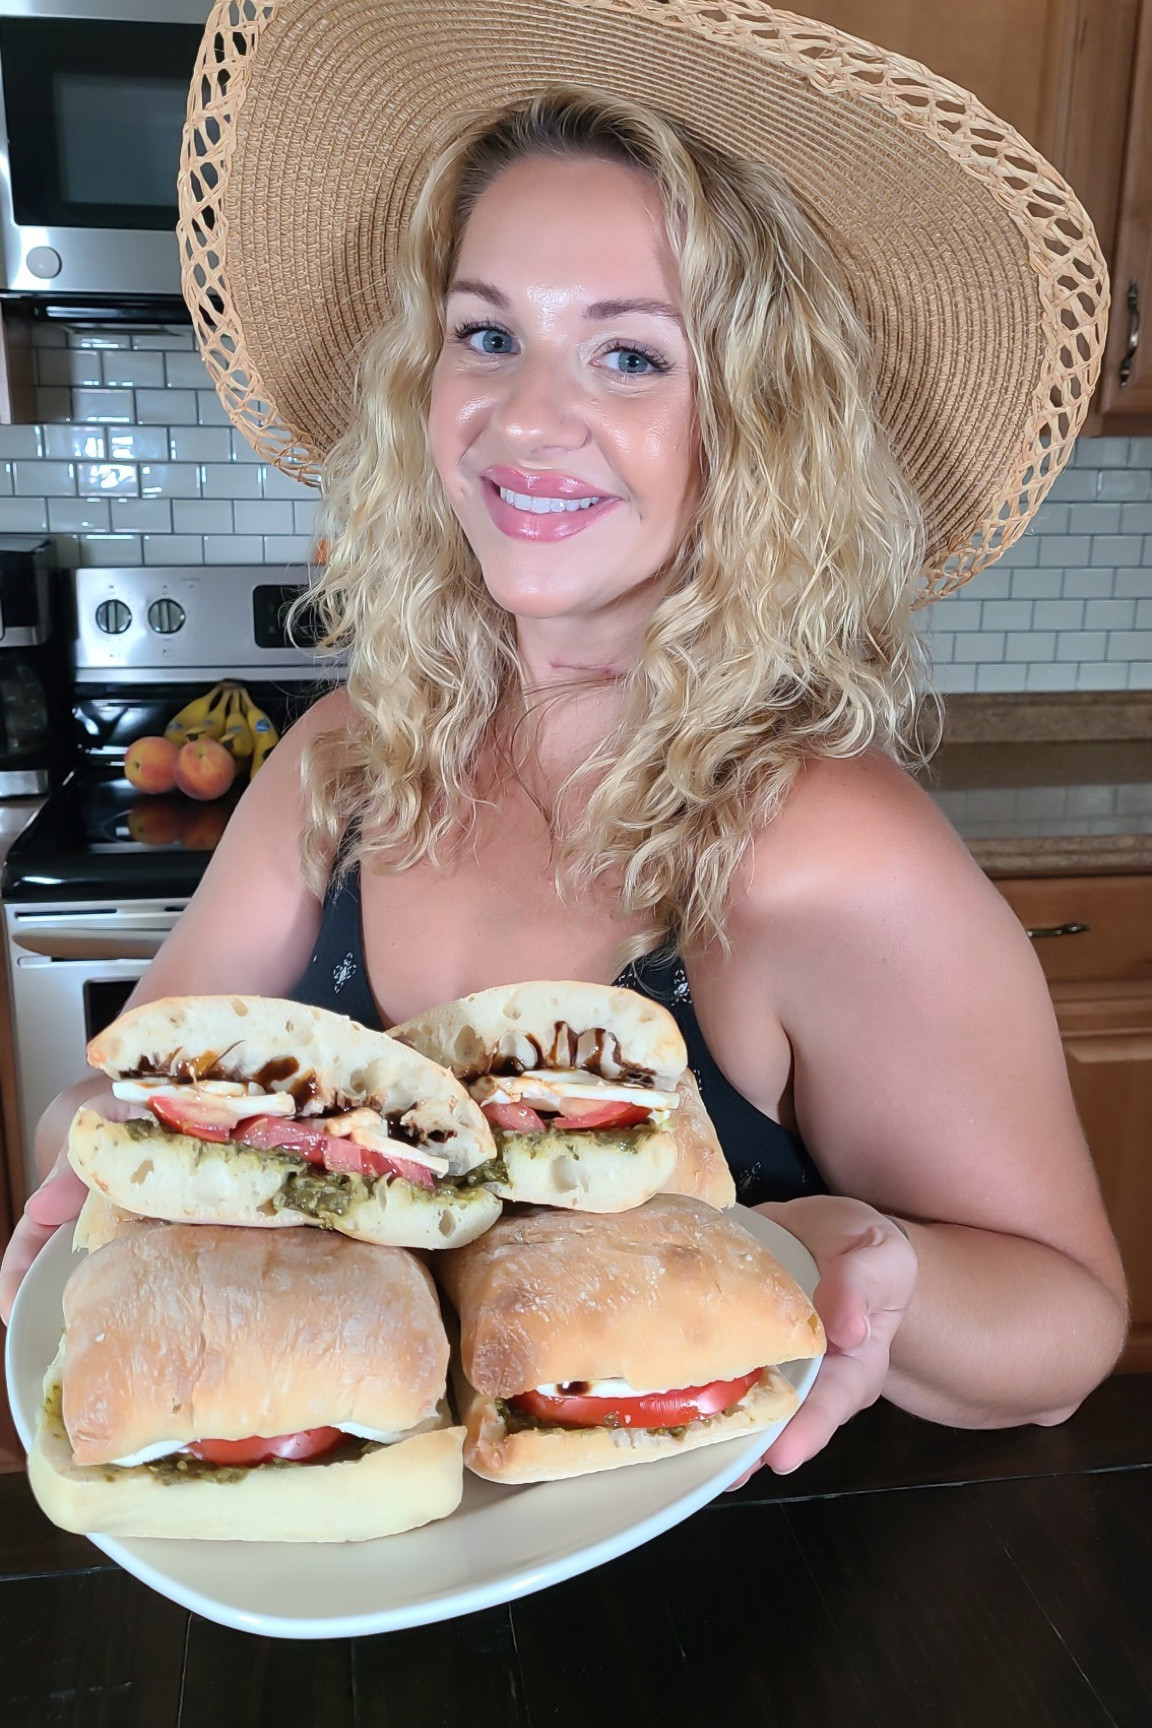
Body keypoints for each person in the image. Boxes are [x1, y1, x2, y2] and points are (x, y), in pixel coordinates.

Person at [0, 1, 1126, 1479]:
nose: (527, 418)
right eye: (488, 336)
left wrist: (857, 1253)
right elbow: (117, 1098)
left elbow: (1064, 1331)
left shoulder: (817, 840)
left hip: (731, 1584)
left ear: (756, 420)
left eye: (632, 356)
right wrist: (91, 1143)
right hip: (352, 1562)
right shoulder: (348, 761)